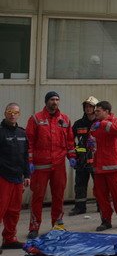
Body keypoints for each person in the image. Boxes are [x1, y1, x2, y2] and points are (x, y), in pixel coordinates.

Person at [26, 91, 76, 239]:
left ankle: (58, 225)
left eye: (57, 99)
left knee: (58, 196)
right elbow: (29, 142)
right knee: (38, 197)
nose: (55, 102)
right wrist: (29, 161)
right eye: (52, 99)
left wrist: (72, 156)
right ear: (46, 101)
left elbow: (70, 141)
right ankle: (34, 227)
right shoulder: (36, 119)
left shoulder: (65, 119)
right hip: (40, 165)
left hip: (58, 165)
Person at [90, 101, 117, 231]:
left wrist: (102, 123)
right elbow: (92, 141)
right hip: (99, 166)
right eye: (95, 111)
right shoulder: (94, 125)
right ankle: (106, 220)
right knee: (101, 196)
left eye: (98, 111)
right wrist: (90, 143)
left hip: (113, 166)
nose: (95, 113)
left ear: (106, 111)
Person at [0, 103, 30, 250]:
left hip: (18, 178)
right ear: (5, 113)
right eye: (10, 111)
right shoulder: (0, 132)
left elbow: (25, 157)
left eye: (16, 112)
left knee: (13, 211)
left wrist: (27, 175)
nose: (12, 114)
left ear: (19, 114)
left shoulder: (22, 133)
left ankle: (9, 239)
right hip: (3, 177)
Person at [69, 96, 98, 216]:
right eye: (86, 106)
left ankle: (102, 206)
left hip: (97, 160)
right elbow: (70, 140)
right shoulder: (78, 124)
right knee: (80, 185)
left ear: (96, 108)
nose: (88, 108)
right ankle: (79, 207)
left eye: (91, 106)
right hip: (81, 160)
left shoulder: (100, 123)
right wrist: (73, 156)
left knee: (99, 185)